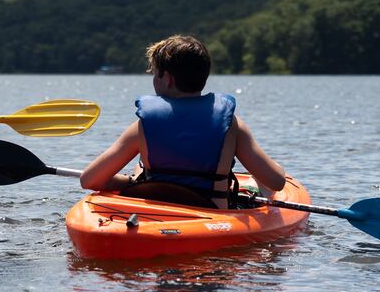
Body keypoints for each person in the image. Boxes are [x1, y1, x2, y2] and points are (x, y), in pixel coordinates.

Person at [79, 34, 286, 209]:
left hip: (155, 213)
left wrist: (130, 182)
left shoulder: (143, 126)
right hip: (211, 213)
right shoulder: (231, 124)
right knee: (262, 180)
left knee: (140, 168)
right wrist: (277, 168)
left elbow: (90, 180)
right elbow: (276, 182)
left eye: (155, 75)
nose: (154, 81)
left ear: (168, 79)